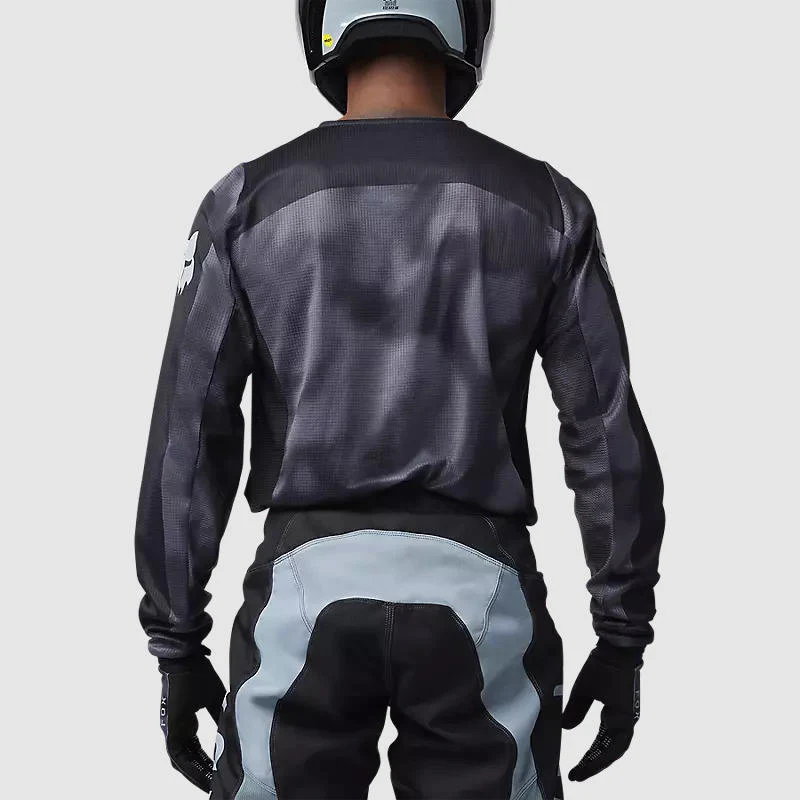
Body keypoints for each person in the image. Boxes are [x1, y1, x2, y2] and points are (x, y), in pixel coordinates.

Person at [135, 2, 665, 798]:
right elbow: (604, 433)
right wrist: (622, 635)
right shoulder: (548, 206)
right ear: (469, 21)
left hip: (300, 596)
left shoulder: (245, 203)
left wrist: (177, 644)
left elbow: (189, 437)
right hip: (482, 595)